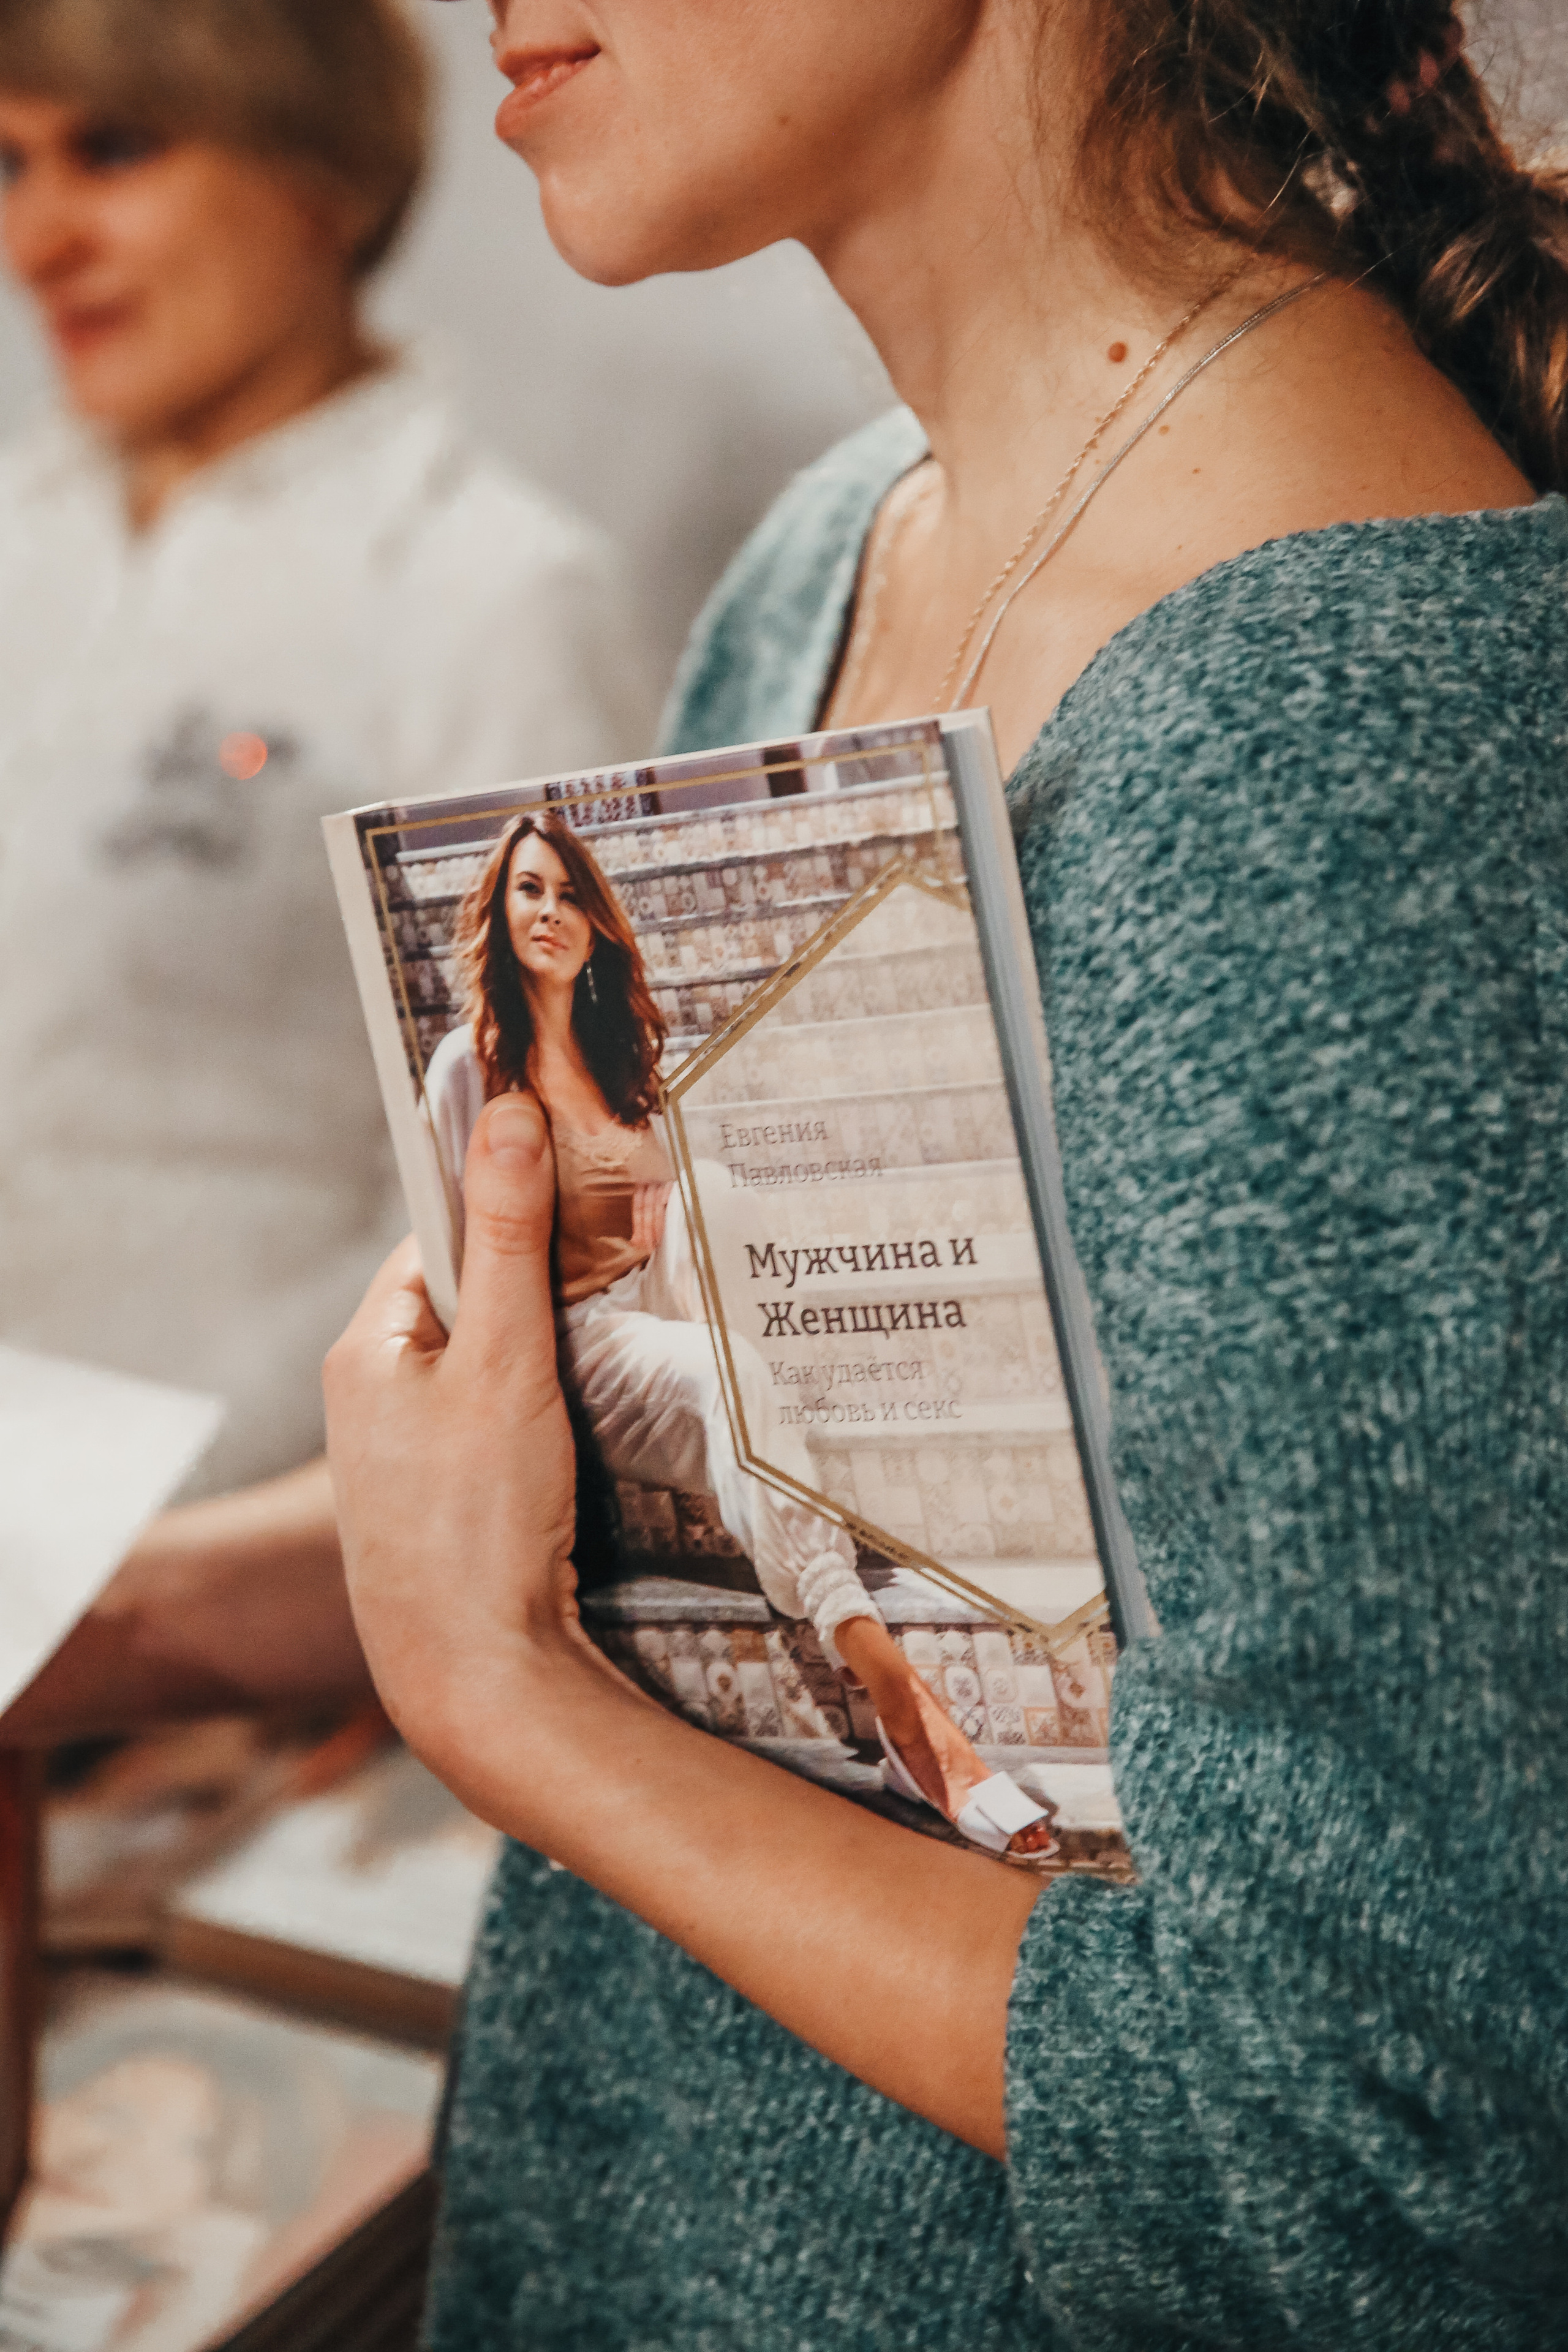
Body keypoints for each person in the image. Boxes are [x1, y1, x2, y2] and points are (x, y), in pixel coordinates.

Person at [323, 0, 1568, 2342]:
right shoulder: (835, 553)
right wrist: (163, 1611)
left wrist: (513, 1707)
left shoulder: (1342, 759)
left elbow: (1395, 2183)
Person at [0, 0, 652, 1740]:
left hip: (236, 1654)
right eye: (9, 166)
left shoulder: (489, 593)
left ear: (327, 175)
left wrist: (350, 1600)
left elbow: (552, 1205)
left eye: (113, 153)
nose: (39, 237)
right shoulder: (13, 546)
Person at [424, 807, 1058, 1857]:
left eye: (571, 894)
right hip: (571, 1354)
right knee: (727, 1366)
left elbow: (678, 1214)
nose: (550, 911)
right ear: (498, 911)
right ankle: (904, 1705)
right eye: (529, 889)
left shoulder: (618, 1058)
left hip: (654, 1313)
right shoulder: (469, 1067)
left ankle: (815, 1466)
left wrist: (670, 1201)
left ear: (597, 924)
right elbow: (462, 1279)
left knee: (714, 1193)